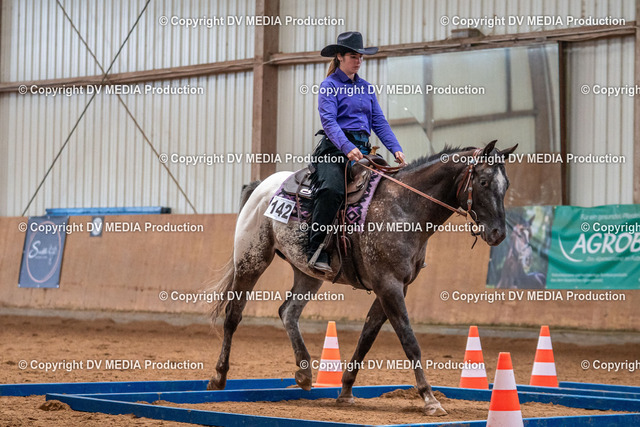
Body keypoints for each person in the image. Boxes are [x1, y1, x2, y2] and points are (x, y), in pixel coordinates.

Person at [308, 31, 406, 273]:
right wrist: (347, 147)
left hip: (362, 151)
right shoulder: (329, 86)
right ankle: (316, 249)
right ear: (340, 57)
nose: (358, 60)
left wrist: (396, 148)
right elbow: (329, 122)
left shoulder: (366, 88)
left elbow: (379, 122)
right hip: (335, 150)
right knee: (331, 190)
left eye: (361, 56)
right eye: (353, 56)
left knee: (390, 188)